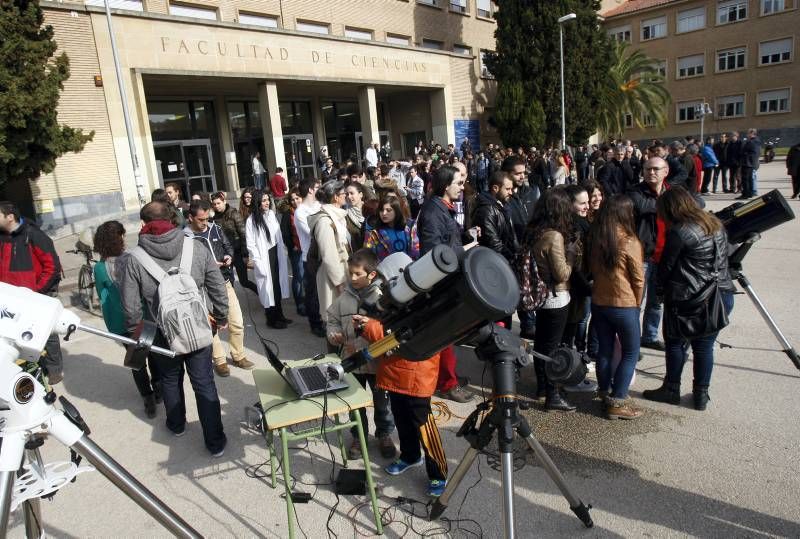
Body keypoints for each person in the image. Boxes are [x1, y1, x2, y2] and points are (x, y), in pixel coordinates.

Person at [118, 202, 228, 457]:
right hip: (198, 327)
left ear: (143, 225)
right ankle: (215, 441)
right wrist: (220, 315)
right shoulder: (196, 246)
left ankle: (177, 424)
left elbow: (131, 308)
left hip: (161, 331)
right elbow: (217, 287)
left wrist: (138, 334)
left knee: (169, 378)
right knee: (204, 384)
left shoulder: (133, 259)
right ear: (171, 218)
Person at [643, 187, 735, 411]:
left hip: (690, 298)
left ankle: (671, 389)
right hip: (720, 293)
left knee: (675, 343)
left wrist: (660, 292)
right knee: (704, 347)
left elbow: (666, 267)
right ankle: (701, 394)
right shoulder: (714, 223)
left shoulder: (680, 231)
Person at [357, 311, 448, 498]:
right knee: (401, 417)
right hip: (394, 372)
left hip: (417, 374)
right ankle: (410, 455)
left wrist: (369, 326)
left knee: (423, 425)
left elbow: (399, 336)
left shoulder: (429, 306)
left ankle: (438, 472)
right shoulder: (400, 300)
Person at [416, 166, 479, 403]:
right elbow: (433, 252)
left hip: (448, 279)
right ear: (445, 187)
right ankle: (447, 384)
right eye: (459, 183)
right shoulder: (433, 212)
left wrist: (466, 235)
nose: (462, 187)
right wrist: (464, 249)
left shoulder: (443, 208)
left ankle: (448, 378)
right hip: (439, 283)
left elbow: (447, 239)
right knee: (444, 336)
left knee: (449, 337)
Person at [327, 250, 396, 460]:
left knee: (382, 402)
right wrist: (333, 334)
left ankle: (384, 434)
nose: (353, 278)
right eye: (350, 273)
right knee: (354, 403)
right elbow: (332, 320)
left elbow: (388, 329)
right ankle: (359, 436)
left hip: (376, 363)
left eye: (358, 274)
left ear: (372, 275)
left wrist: (362, 339)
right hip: (352, 363)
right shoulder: (343, 296)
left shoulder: (383, 297)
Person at [94, 220, 161, 417]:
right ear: (118, 238)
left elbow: (102, 295)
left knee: (136, 360)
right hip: (141, 316)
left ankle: (147, 397)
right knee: (152, 353)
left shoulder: (99, 268)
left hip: (120, 322)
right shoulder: (132, 259)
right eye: (122, 235)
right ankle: (158, 389)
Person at [587, 195, 644, 420]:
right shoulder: (629, 241)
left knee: (605, 350)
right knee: (630, 353)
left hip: (600, 302)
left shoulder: (597, 238)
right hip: (624, 303)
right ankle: (618, 400)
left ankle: (604, 391)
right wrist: (637, 303)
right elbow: (638, 279)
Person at [523, 189, 577, 411]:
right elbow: (562, 273)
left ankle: (543, 388)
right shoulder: (554, 236)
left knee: (543, 344)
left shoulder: (533, 231)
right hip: (556, 297)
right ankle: (553, 395)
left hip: (541, 296)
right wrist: (571, 254)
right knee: (553, 347)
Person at [186, 200, 253, 374]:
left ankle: (238, 355)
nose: (205, 223)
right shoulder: (186, 238)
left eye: (207, 218)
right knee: (212, 326)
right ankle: (220, 360)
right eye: (201, 220)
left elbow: (228, 245)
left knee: (237, 321)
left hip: (224, 282)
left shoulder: (215, 228)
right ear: (190, 218)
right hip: (202, 289)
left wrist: (228, 256)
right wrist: (208, 266)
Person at [0, 201, 64, 384]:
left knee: (47, 333)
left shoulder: (34, 235)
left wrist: (36, 292)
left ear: (9, 216)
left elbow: (52, 267)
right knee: (15, 331)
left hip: (34, 296)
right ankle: (28, 368)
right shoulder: (2, 237)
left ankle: (55, 370)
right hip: (11, 297)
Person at [629, 157, 669, 351]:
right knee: (636, 301)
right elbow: (642, 207)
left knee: (656, 302)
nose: (651, 173)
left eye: (655, 169)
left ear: (666, 171)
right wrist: (670, 204)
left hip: (664, 257)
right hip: (642, 256)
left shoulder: (672, 191)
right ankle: (632, 339)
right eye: (647, 169)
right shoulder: (636, 192)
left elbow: (697, 202)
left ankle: (650, 336)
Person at [308, 180, 351, 328]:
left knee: (344, 318)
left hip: (342, 271)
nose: (346, 196)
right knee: (334, 321)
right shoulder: (324, 221)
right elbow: (329, 255)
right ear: (335, 197)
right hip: (332, 277)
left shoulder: (336, 216)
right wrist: (340, 283)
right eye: (343, 193)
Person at [246, 189, 291, 329]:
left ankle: (280, 315)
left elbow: (277, 235)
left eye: (267, 200)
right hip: (264, 258)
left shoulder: (271, 214)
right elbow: (251, 243)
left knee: (276, 286)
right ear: (257, 202)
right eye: (264, 200)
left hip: (275, 253)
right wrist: (257, 261)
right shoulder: (251, 220)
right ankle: (271, 319)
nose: (267, 203)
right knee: (268, 288)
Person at [294, 178, 325, 336]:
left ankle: (324, 319)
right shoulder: (300, 212)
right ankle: (315, 323)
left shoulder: (320, 205)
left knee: (323, 290)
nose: (320, 189)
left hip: (324, 254)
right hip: (310, 258)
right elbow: (313, 232)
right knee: (312, 292)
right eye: (317, 187)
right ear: (311, 190)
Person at [211, 192, 257, 294]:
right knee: (228, 283)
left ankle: (261, 294)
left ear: (224, 201)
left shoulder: (234, 214)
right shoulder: (214, 219)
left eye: (218, 203)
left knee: (244, 282)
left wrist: (245, 254)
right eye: (214, 204)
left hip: (238, 252)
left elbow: (243, 234)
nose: (216, 206)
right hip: (225, 255)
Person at [473, 170, 517, 263]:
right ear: (495, 188)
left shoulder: (503, 206)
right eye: (507, 189)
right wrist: (513, 258)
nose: (511, 192)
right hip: (494, 262)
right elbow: (494, 244)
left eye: (511, 189)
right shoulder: (487, 210)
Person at [364, 194, 419, 261]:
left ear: (397, 211)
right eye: (381, 210)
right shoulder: (373, 232)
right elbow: (367, 256)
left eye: (388, 210)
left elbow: (417, 251)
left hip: (410, 268)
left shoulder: (411, 227)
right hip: (386, 270)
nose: (384, 213)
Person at [280, 189, 306, 316]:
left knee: (307, 276)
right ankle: (300, 304)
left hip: (308, 249)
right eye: (293, 199)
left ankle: (308, 301)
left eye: (297, 198)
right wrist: (293, 245)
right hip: (297, 251)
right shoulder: (288, 214)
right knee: (299, 276)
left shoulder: (307, 210)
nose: (295, 201)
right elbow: (284, 234)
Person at [739, 128, 762, 200]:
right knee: (749, 179)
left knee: (745, 179)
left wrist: (744, 154)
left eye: (748, 133)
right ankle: (749, 193)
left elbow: (747, 152)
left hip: (747, 163)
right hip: (752, 163)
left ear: (752, 133)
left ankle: (746, 193)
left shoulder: (751, 142)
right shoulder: (757, 141)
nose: (747, 134)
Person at [345, 182, 367, 250]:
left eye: (352, 193)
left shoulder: (370, 210)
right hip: (356, 255)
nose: (349, 196)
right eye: (347, 194)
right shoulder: (345, 215)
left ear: (360, 194)